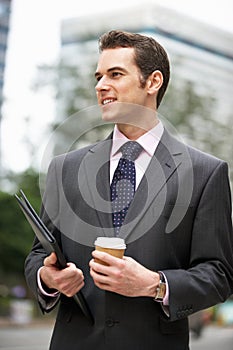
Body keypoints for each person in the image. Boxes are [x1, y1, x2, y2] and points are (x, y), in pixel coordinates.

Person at [24, 30, 233, 350]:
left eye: (115, 74)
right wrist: (48, 279)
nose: (100, 85)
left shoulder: (205, 173)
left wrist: (155, 285)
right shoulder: (65, 169)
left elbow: (219, 274)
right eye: (98, 76)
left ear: (153, 82)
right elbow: (39, 257)